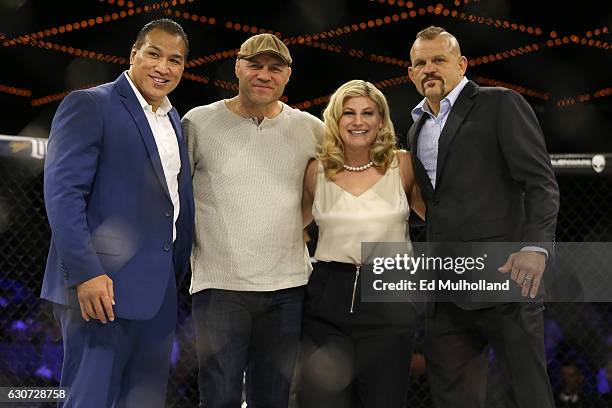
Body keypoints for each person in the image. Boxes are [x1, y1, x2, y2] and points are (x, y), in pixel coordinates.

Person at [41, 19, 194, 407]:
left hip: (156, 292)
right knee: (88, 399)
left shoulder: (174, 119)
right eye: (154, 54)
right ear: (133, 55)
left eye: (174, 60)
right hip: (100, 288)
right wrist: (86, 272)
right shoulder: (91, 104)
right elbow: (64, 194)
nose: (163, 67)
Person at [406, 26, 560, 408]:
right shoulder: (415, 128)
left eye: (439, 60)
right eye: (420, 63)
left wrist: (535, 249)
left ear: (461, 65)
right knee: (452, 397)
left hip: (507, 276)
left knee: (528, 393)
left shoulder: (499, 104)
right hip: (445, 289)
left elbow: (540, 183)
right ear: (410, 73)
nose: (429, 69)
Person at [182, 33, 324, 408]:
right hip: (219, 287)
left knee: (274, 398)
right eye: (255, 65)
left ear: (287, 76)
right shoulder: (198, 122)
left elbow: (324, 190)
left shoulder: (311, 128)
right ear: (237, 67)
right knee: (219, 396)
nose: (264, 75)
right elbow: (174, 195)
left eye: (274, 68)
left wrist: (296, 223)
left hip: (287, 287)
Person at [297, 80, 425, 408]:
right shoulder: (317, 171)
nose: (358, 121)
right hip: (327, 298)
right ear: (335, 120)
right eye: (348, 113)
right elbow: (289, 229)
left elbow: (443, 220)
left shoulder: (404, 165)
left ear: (381, 119)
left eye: (368, 113)